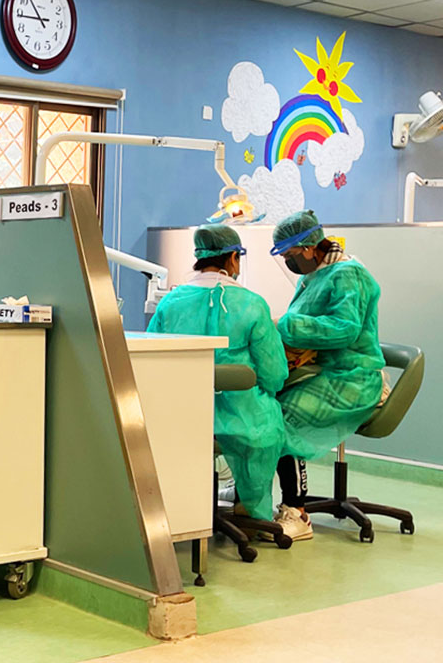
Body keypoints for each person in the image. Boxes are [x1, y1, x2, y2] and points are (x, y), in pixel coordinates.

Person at [148, 225, 288, 525]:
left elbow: (152, 362)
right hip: (243, 419)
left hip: (181, 415)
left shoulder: (170, 303)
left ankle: (185, 514)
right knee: (270, 421)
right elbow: (274, 374)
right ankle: (250, 511)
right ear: (234, 258)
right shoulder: (252, 304)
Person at [268, 210, 383, 541]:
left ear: (308, 248)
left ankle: (297, 511)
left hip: (351, 376)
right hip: (322, 370)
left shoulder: (349, 275)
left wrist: (285, 325)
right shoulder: (315, 275)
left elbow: (345, 330)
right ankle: (248, 493)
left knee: (282, 417)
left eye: (289, 254)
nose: (288, 261)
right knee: (261, 406)